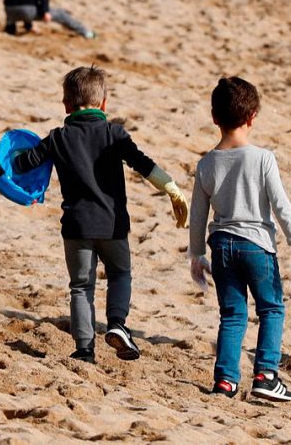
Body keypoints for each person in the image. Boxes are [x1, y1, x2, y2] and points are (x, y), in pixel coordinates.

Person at [10, 66, 190, 363]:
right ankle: (117, 323)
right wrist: (171, 188)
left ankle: (84, 349)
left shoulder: (57, 137)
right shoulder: (114, 133)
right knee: (120, 274)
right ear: (104, 104)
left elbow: (22, 164)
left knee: (81, 287)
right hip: (112, 225)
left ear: (66, 105)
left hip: (76, 227)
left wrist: (9, 156)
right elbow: (143, 164)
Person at [189, 77, 291, 401]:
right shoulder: (262, 158)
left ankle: (226, 381)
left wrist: (196, 255)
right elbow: (281, 205)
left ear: (215, 117)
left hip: (222, 246)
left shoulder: (205, 164)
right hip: (257, 245)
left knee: (232, 314)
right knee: (272, 307)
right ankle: (266, 374)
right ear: (252, 117)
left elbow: (198, 215)